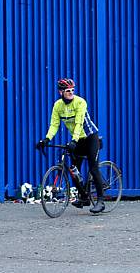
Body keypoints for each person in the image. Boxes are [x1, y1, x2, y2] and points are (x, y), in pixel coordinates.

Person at [36, 78, 106, 214]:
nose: (71, 93)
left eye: (73, 90)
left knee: (93, 167)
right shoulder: (58, 106)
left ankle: (101, 201)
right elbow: (54, 125)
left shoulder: (80, 102)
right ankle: (84, 197)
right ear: (60, 92)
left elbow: (79, 123)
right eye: (68, 91)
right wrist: (46, 139)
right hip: (77, 139)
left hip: (90, 137)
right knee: (74, 169)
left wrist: (73, 140)